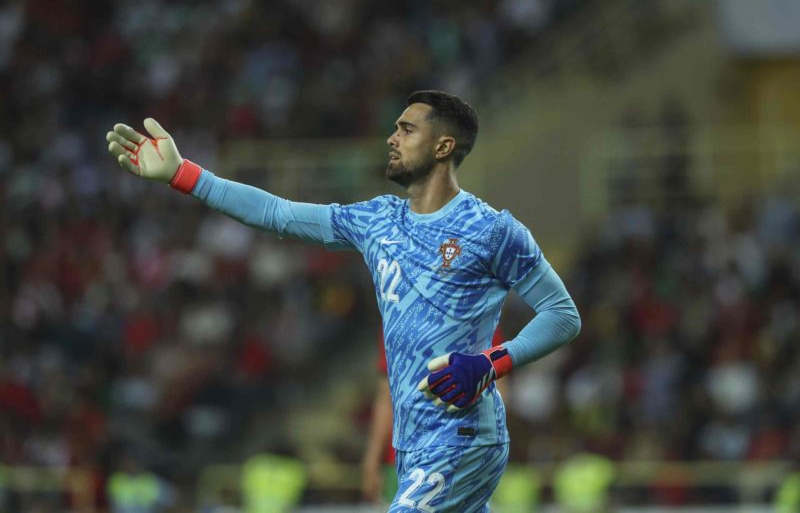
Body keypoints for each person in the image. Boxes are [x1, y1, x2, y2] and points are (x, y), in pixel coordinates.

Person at [106, 90, 581, 512]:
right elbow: (279, 213)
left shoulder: (493, 231)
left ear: (443, 146)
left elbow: (562, 314)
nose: (392, 138)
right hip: (413, 443)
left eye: (407, 128)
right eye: (395, 127)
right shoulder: (378, 220)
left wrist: (490, 362)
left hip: (463, 437)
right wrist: (184, 175)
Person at [361, 327, 506, 505]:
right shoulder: (396, 317)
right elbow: (387, 396)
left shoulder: (476, 309)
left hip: (463, 451)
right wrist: (372, 459)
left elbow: (499, 386)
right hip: (406, 458)